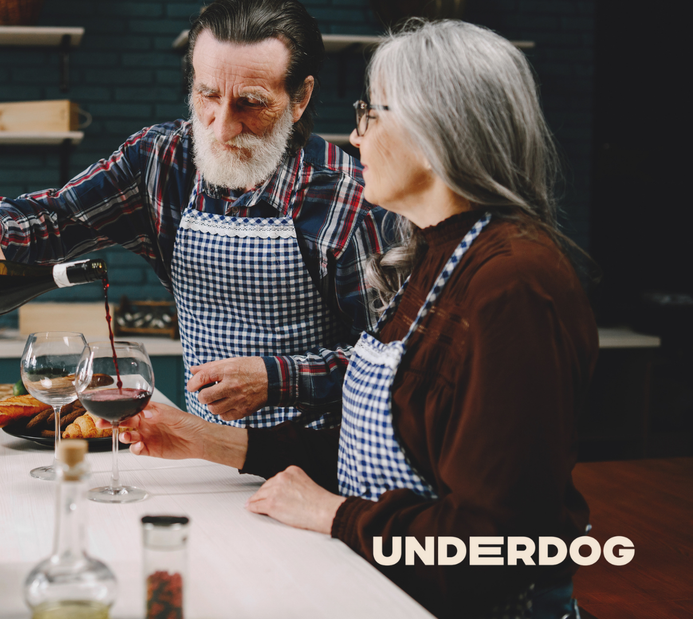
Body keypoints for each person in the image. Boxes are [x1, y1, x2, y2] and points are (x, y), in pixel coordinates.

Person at [104, 20, 598, 619]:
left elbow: (495, 547)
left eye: (370, 115)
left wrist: (332, 513)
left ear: (434, 127)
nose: (356, 139)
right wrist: (207, 439)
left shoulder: (513, 284)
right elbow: (378, 452)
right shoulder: (434, 256)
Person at [0, 0, 392, 429]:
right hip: (199, 450)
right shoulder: (160, 160)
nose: (223, 127)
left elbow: (393, 364)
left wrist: (278, 379)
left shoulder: (350, 198)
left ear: (299, 97)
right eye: (208, 95)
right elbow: (56, 217)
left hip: (314, 464)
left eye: (251, 103)